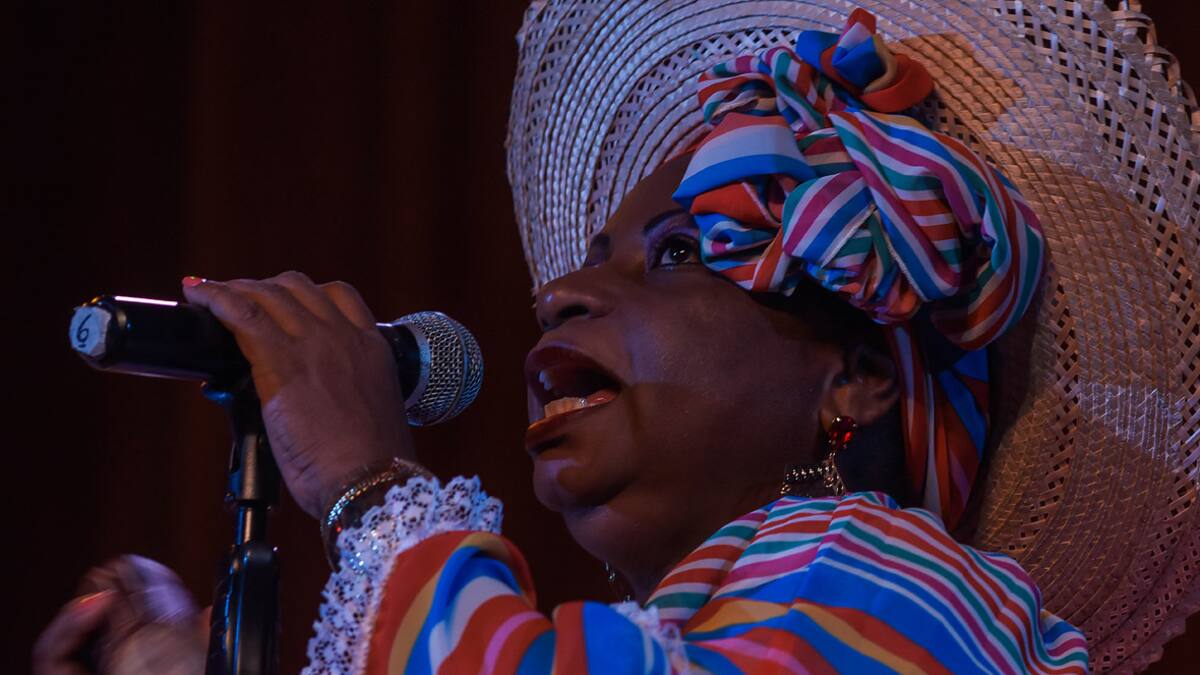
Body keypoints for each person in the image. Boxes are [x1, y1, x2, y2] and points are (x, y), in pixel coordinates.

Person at [34, 1, 1200, 673]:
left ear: (854, 378)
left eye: (676, 255)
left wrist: (369, 485)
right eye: (584, 261)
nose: (559, 295)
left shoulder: (905, 591)